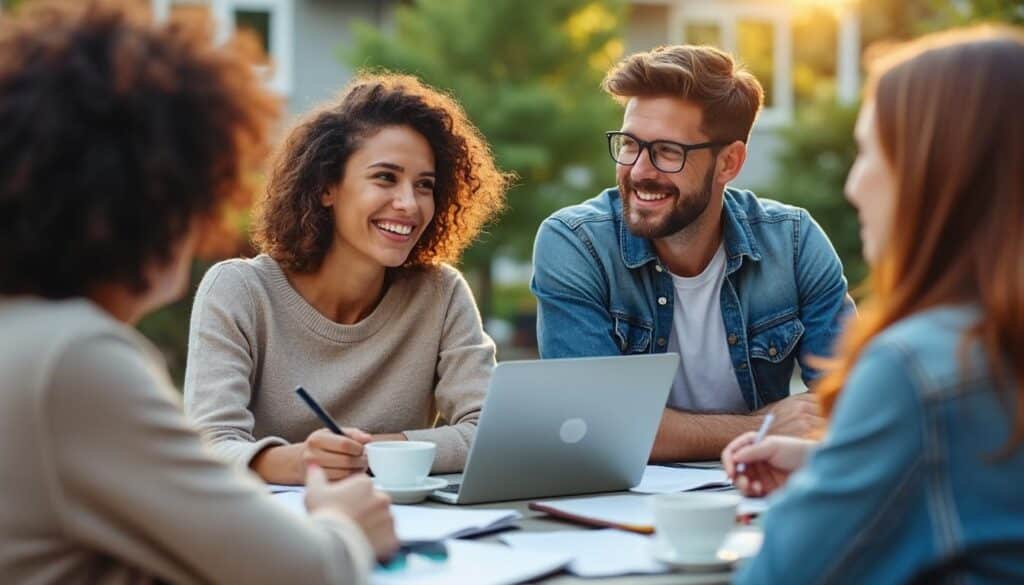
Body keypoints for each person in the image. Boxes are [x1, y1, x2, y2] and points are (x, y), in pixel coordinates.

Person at [0, 2, 398, 583]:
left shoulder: (23, 332)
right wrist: (342, 522)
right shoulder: (71, 358)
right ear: (152, 201)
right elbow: (306, 571)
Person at [723, 27, 1024, 584]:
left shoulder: (917, 366)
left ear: (934, 174)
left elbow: (777, 576)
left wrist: (822, 494)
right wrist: (835, 467)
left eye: (868, 152)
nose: (854, 186)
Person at [531, 44, 854, 461]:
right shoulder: (577, 243)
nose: (640, 171)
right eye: (630, 144)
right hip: (618, 509)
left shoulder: (793, 242)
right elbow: (595, 425)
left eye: (668, 152)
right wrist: (762, 427)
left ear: (729, 163)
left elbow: (851, 405)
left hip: (756, 492)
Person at [183, 73, 508, 484]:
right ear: (327, 187)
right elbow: (209, 444)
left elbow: (491, 432)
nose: (409, 203)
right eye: (385, 178)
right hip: (274, 531)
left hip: (405, 527)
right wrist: (302, 463)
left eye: (424, 185)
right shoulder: (239, 291)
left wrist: (373, 452)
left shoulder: (440, 294)